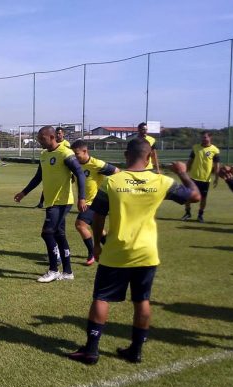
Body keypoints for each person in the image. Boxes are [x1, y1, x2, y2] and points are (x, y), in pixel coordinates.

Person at [68, 139, 200, 365]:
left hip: (117, 252)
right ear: (148, 157)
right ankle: (136, 350)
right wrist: (184, 173)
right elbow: (194, 196)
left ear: (126, 154)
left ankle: (91, 350)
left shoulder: (112, 182)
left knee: (101, 297)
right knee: (142, 300)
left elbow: (98, 216)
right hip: (146, 253)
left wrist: (98, 244)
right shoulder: (161, 181)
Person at [14, 126, 87, 282]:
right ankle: (67, 272)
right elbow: (38, 177)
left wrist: (82, 197)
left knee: (47, 233)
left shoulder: (65, 153)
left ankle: (53, 270)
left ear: (52, 137)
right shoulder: (43, 155)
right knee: (59, 235)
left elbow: (80, 174)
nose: (39, 141)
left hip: (62, 202)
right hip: (50, 201)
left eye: (42, 138)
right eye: (39, 138)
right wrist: (24, 193)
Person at [71, 140, 120, 265]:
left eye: (77, 154)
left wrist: (106, 189)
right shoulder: (75, 165)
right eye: (73, 154)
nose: (75, 156)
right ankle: (114, 252)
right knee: (98, 229)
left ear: (85, 151)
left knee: (80, 225)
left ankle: (91, 253)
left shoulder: (96, 164)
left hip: (93, 202)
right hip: (85, 201)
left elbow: (117, 172)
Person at [181, 131, 220, 223]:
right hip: (193, 177)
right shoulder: (195, 148)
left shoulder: (215, 150)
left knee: (203, 198)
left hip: (205, 179)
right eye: (202, 137)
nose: (204, 139)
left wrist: (217, 178)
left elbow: (217, 166)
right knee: (188, 195)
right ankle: (187, 213)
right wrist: (185, 172)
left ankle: (200, 215)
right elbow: (190, 161)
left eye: (205, 137)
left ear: (210, 138)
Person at [36, 127, 70, 208]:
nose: (58, 135)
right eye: (57, 133)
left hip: (62, 200)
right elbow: (38, 177)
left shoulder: (66, 146)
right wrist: (24, 193)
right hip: (51, 171)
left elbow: (78, 171)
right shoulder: (44, 153)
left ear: (63, 134)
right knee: (47, 186)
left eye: (59, 133)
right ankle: (41, 202)